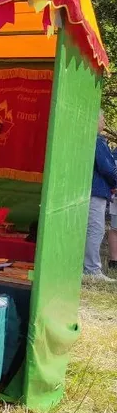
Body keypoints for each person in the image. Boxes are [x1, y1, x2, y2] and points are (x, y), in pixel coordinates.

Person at [83, 110, 116, 283]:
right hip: (96, 190)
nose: (104, 122)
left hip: (90, 189)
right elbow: (108, 168)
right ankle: (91, 269)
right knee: (95, 230)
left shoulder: (86, 139)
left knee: (91, 229)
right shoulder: (97, 141)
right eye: (103, 118)